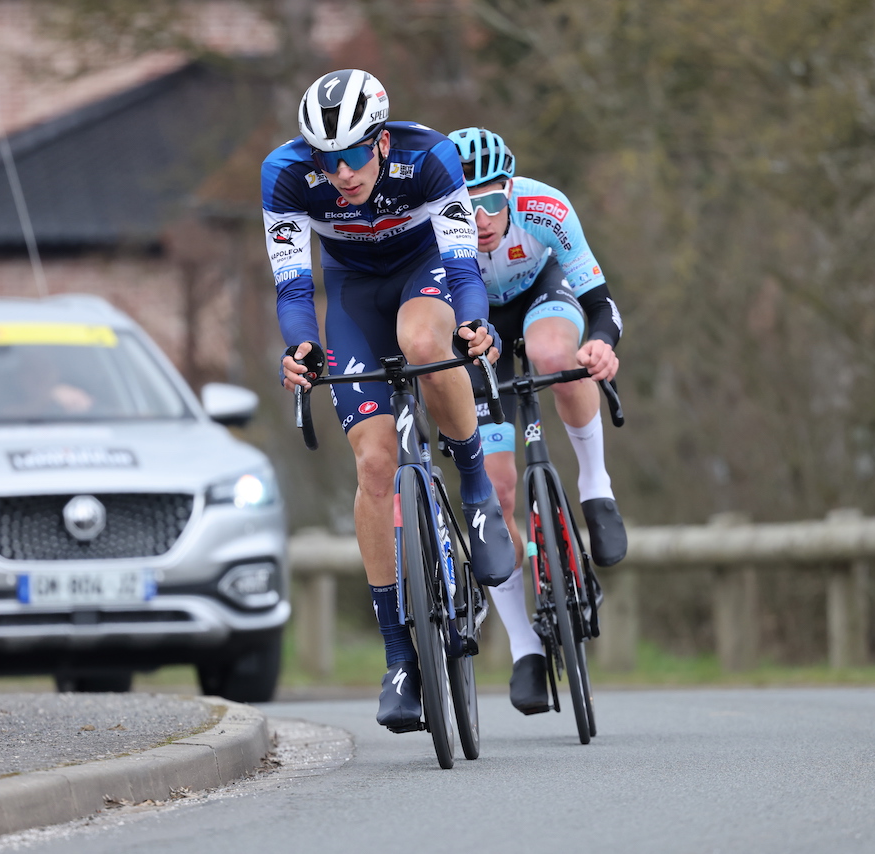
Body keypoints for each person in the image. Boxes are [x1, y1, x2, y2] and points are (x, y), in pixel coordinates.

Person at [263, 70, 516, 732]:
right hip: (350, 295)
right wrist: (302, 350)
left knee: (423, 342)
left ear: (380, 140)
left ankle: (476, 492)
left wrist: (471, 320)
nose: (343, 172)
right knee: (374, 465)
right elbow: (294, 290)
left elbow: (463, 268)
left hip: (424, 273)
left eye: (354, 153)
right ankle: (400, 657)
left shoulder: (430, 157)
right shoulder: (286, 176)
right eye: (328, 158)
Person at [447, 127, 627, 715]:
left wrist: (601, 344)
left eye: (493, 202)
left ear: (511, 190)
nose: (481, 218)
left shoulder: (544, 206)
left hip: (540, 298)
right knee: (498, 495)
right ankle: (525, 649)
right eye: (467, 207)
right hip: (476, 329)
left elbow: (599, 300)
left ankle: (594, 484)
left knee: (557, 358)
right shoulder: (438, 234)